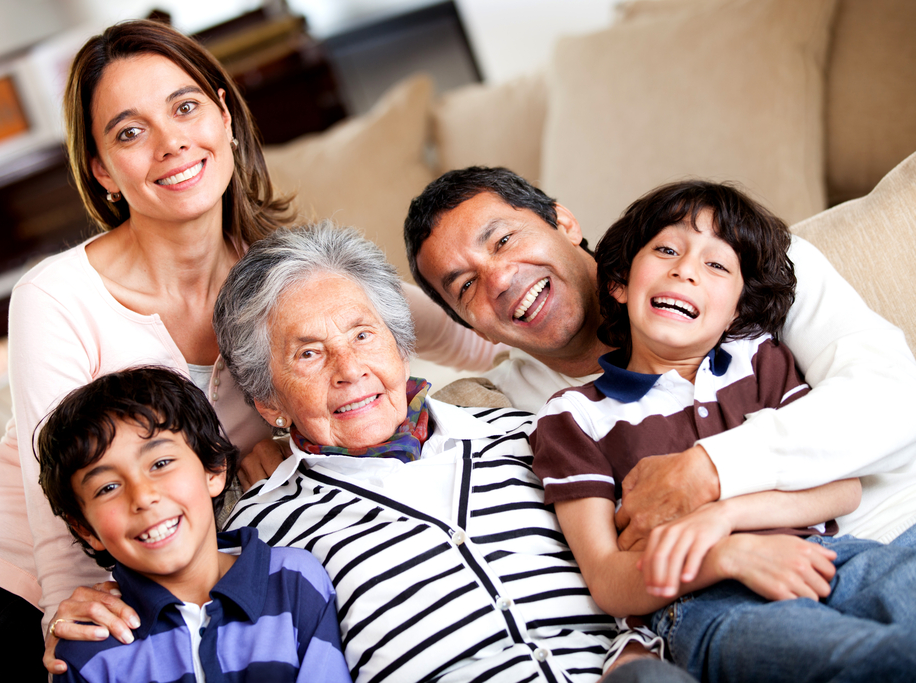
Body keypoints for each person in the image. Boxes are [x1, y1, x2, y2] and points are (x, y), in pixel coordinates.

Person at [0, 19, 290, 678]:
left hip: (133, 589)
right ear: (103, 171)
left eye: (184, 106)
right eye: (129, 131)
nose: (171, 141)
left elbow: (418, 317)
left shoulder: (291, 281)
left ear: (225, 114)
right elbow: (49, 476)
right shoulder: (55, 292)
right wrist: (62, 608)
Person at [211, 221, 698, 683]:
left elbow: (640, 548)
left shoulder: (532, 434)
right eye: (309, 353)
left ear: (400, 348)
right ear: (269, 401)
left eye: (363, 335)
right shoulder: (264, 530)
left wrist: (636, 650)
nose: (350, 370)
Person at [404, 167, 916, 553]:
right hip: (745, 615)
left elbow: (895, 398)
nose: (499, 280)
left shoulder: (738, 263)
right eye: (466, 286)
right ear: (468, 322)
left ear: (563, 221)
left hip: (897, 527)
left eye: (504, 240)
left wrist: (709, 470)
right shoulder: (517, 414)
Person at [531, 181, 916, 681]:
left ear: (737, 310)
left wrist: (721, 515)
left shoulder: (761, 359)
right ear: (619, 284)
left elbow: (842, 488)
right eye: (667, 250)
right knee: (872, 661)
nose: (685, 269)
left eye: (717, 265)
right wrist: (727, 553)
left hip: (827, 557)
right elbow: (607, 579)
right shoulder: (573, 416)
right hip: (704, 603)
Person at [36, 368, 350, 682]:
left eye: (160, 464)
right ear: (86, 529)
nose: (143, 497)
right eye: (108, 488)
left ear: (213, 469)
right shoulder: (85, 651)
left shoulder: (293, 582)